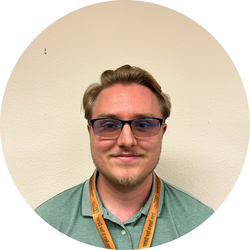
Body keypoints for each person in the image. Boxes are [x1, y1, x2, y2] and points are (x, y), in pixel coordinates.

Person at [35, 65, 214, 249]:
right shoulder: (43, 225)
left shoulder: (204, 225)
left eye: (143, 125)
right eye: (109, 125)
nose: (127, 140)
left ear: (162, 132)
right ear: (90, 133)